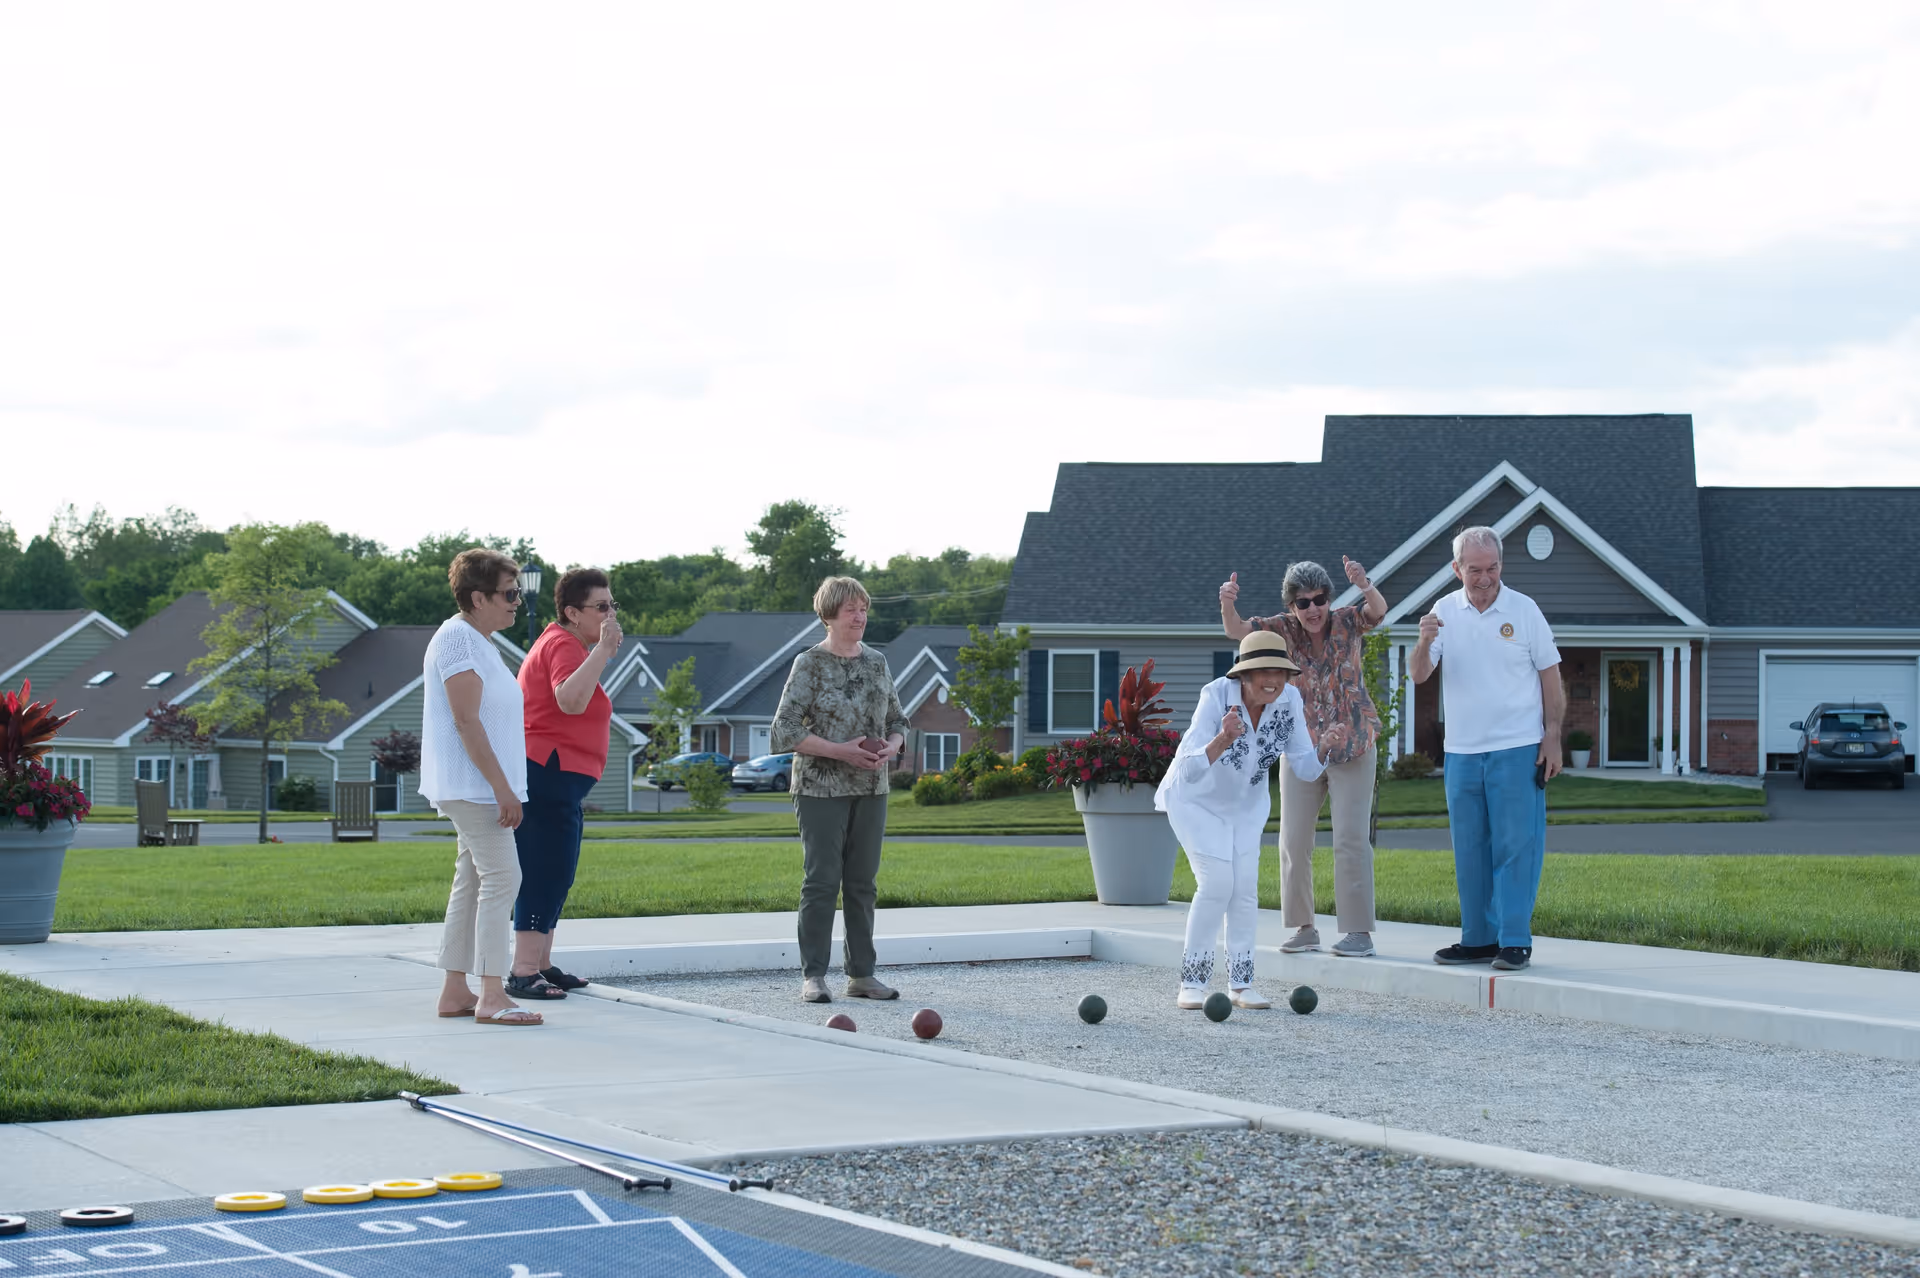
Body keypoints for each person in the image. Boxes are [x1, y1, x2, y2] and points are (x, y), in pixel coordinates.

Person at [1156, 630, 1348, 1010]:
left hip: (1246, 807)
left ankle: (1241, 985)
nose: (1273, 679)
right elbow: (1189, 770)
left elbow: (1306, 768)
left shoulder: (1289, 699)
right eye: (1263, 671)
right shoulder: (1215, 697)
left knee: (1244, 890)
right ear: (1243, 674)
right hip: (1196, 802)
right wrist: (1222, 739)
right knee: (1216, 885)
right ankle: (1192, 983)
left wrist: (1325, 745)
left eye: (1280, 670)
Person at [1410, 525, 1564, 972]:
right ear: (1456, 568)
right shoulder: (1443, 612)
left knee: (1517, 845)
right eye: (1474, 569)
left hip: (1517, 746)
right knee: (1470, 848)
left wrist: (1552, 735)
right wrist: (1423, 640)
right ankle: (1477, 938)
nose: (1484, 578)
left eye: (1492, 567)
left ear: (1501, 565)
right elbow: (1420, 674)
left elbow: (1550, 675)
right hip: (1461, 751)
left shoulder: (1525, 610)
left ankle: (1514, 940)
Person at [1221, 557, 1385, 958]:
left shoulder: (1347, 620)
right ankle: (1303, 927)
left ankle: (1358, 933)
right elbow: (1237, 632)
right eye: (1303, 602)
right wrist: (1228, 601)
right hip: (1300, 746)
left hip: (1352, 745)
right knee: (1293, 841)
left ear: (1329, 598)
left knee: (1350, 839)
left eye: (1320, 599)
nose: (1313, 609)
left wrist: (1364, 584)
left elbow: (1377, 611)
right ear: (1291, 605)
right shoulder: (1281, 629)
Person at [770, 575, 910, 1004]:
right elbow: (783, 730)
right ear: (829, 615)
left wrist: (893, 745)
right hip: (819, 787)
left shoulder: (877, 663)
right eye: (850, 609)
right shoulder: (809, 664)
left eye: (864, 608)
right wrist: (840, 751)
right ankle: (814, 975)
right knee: (822, 881)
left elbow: (898, 720)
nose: (860, 616)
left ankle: (862, 975)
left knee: (863, 883)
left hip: (872, 786)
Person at [420, 548, 540, 1026]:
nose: (517, 603)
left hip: (477, 786)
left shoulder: (476, 640)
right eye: (509, 594)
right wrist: (502, 789)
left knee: (471, 882)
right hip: (474, 787)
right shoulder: (458, 641)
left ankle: (455, 990)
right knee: (503, 879)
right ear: (477, 597)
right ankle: (493, 995)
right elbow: (467, 722)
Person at [506, 568, 623, 1002]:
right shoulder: (562, 644)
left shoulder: (569, 644)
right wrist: (605, 651)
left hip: (559, 778)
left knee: (559, 869)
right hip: (548, 773)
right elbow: (569, 700)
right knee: (545, 868)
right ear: (572, 612)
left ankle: (541, 964)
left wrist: (600, 651)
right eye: (601, 607)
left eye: (613, 605)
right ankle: (522, 970)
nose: (611, 615)